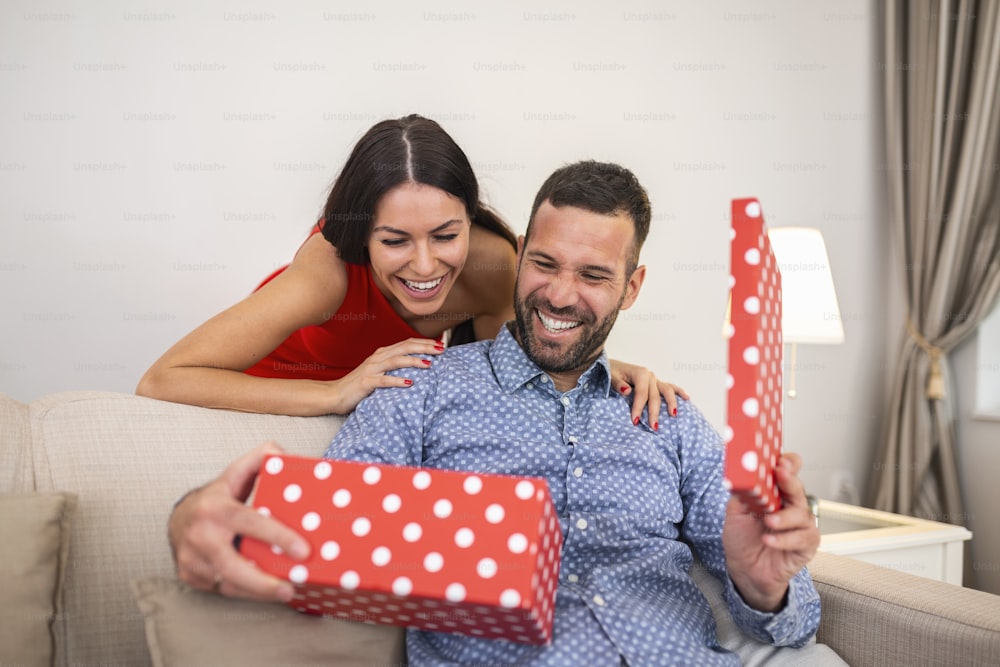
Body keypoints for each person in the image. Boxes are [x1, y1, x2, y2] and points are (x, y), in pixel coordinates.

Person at [169, 160, 821, 665]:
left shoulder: (670, 419)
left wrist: (766, 585)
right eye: (544, 263)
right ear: (518, 254)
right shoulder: (417, 389)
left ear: (633, 285)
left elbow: (793, 617)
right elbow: (326, 527)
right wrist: (192, 516)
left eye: (593, 275)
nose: (560, 295)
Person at [136, 114, 684, 423]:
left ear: (470, 219)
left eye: (446, 235)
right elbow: (163, 380)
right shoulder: (327, 271)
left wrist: (602, 367)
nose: (426, 266)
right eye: (395, 240)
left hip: (378, 415)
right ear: (361, 233)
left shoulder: (498, 267)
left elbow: (514, 372)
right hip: (264, 398)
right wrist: (334, 393)